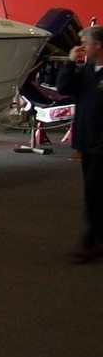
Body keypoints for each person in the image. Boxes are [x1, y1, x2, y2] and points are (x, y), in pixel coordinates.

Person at [56, 24, 103, 261]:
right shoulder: (86, 71)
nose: (82, 47)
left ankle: (89, 242)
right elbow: (63, 88)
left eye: (86, 43)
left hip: (102, 143)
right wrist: (69, 63)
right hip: (87, 141)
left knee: (94, 193)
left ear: (99, 45)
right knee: (93, 193)